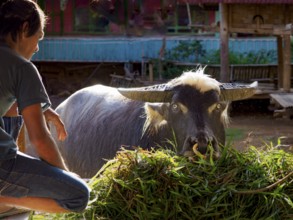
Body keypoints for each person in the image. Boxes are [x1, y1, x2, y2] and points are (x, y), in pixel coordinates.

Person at [0, 0, 90, 216]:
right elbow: (39, 139)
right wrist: (65, 177)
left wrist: (40, 107)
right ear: (23, 29)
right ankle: (4, 200)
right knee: (78, 196)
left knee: (12, 110)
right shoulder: (22, 67)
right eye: (38, 37)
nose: (38, 47)